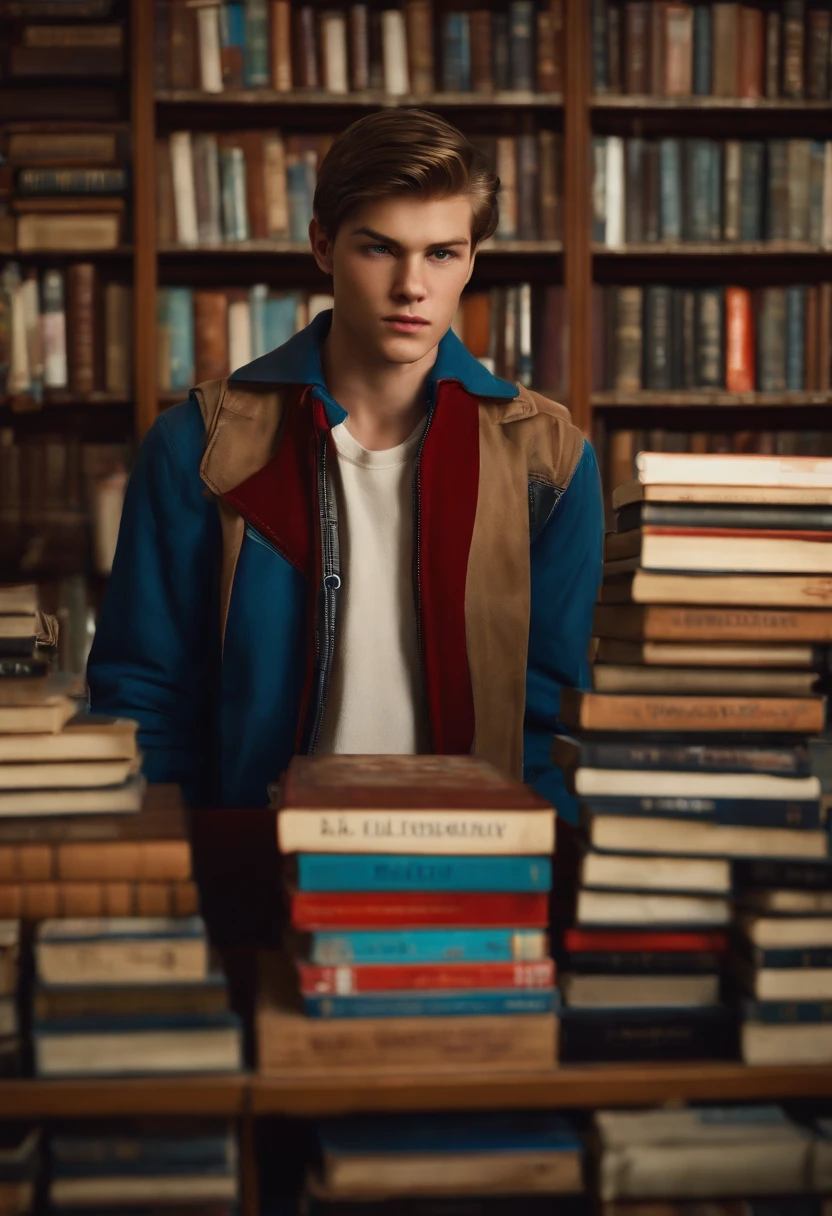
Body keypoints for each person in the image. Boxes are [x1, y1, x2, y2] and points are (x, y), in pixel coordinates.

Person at [87, 108, 604, 818]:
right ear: (323, 246)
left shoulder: (550, 461)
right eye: (380, 249)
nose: (411, 286)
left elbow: (553, 721)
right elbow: (145, 699)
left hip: (479, 858)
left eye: (442, 254)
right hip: (259, 851)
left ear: (471, 261)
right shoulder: (198, 446)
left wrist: (532, 869)